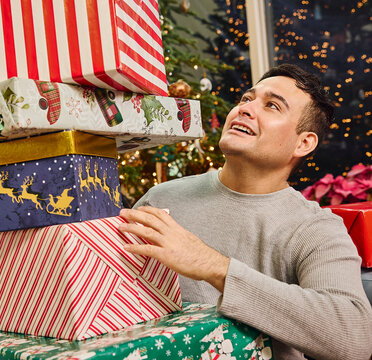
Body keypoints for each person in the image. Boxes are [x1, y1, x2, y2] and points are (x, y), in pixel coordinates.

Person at [118, 64, 372, 360]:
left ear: (303, 143)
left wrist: (215, 267)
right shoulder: (160, 199)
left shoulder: (315, 229)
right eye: (246, 99)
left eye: (272, 106)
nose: (246, 109)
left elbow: (354, 337)